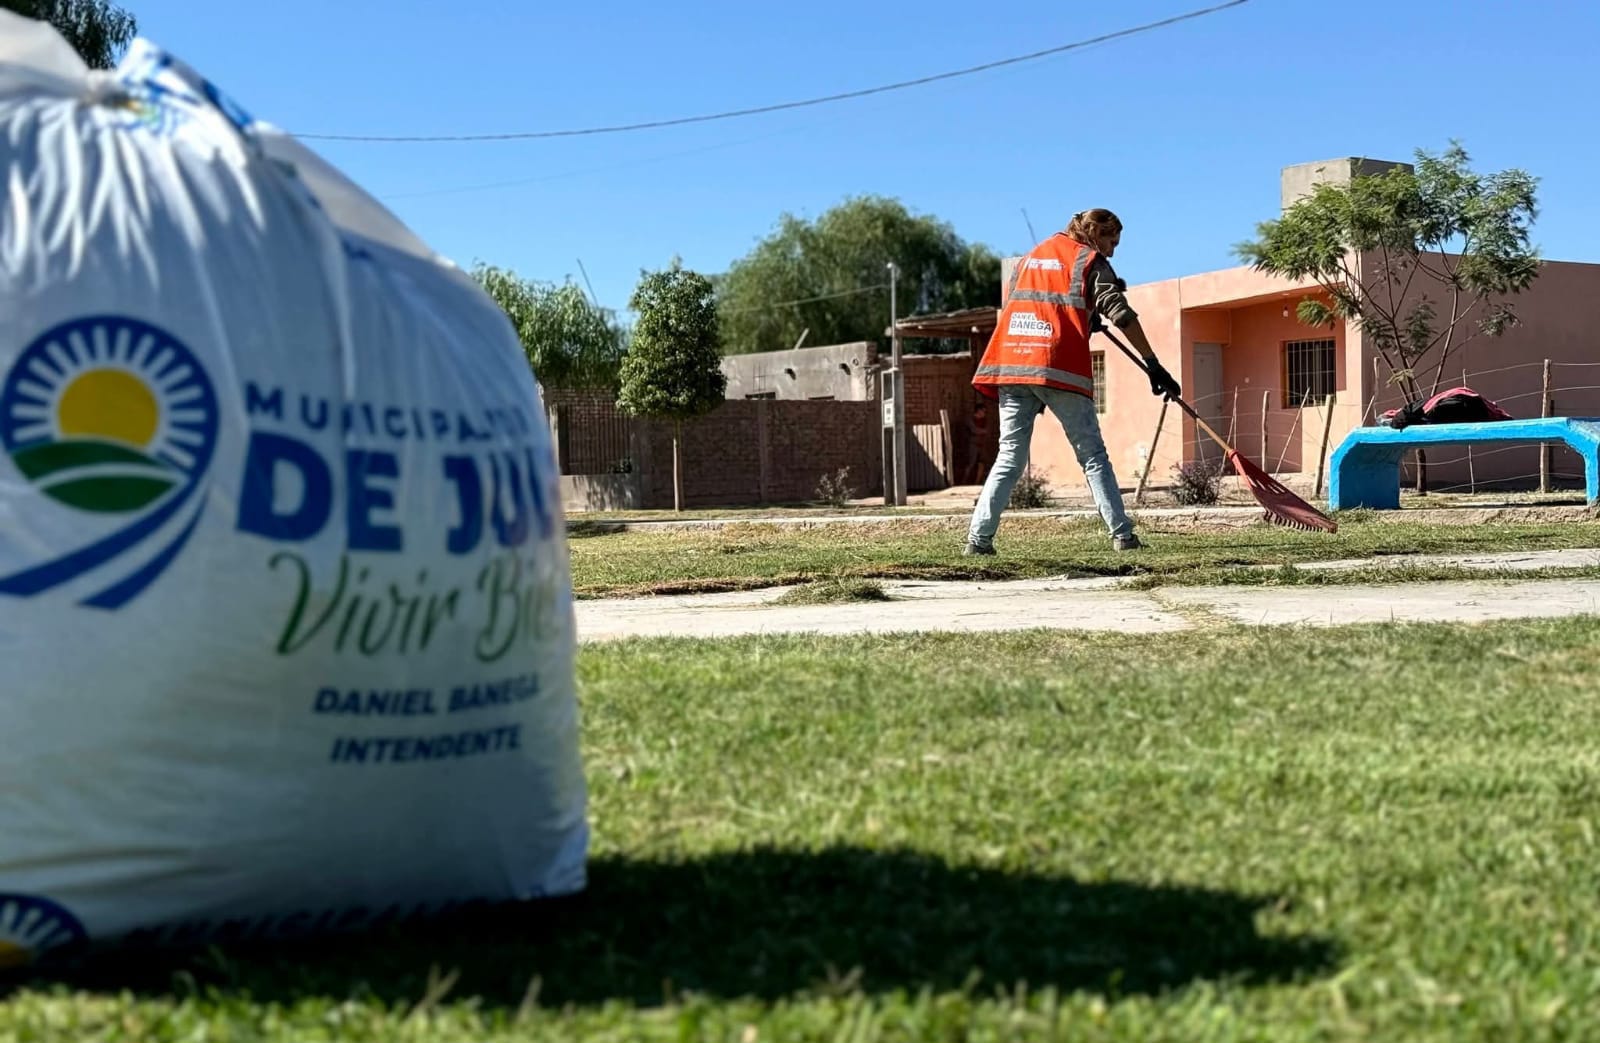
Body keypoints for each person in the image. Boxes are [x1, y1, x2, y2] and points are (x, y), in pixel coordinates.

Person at [964, 209, 1180, 555]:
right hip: (1056, 366)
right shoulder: (1089, 260)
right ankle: (1123, 536)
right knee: (1092, 455)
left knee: (1009, 457)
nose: (1112, 250)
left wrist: (1085, 316)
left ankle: (978, 540)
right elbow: (1121, 313)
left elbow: (1031, 307)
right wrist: (1154, 365)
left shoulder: (1028, 259)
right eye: (1111, 240)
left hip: (1014, 363)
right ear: (1094, 231)